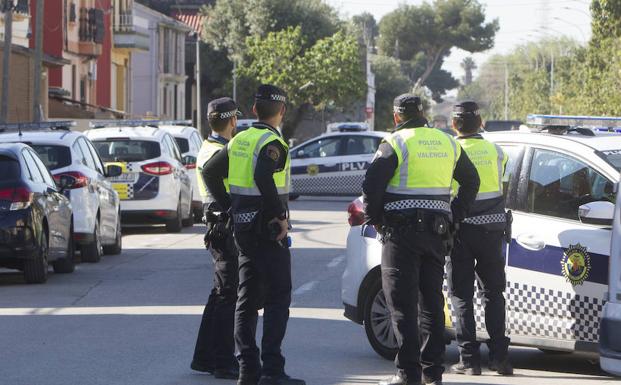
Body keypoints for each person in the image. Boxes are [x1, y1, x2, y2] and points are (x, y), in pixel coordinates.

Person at [363, 94, 480, 385]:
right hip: (437, 233)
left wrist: (375, 219)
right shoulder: (447, 141)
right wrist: (455, 213)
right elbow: (471, 180)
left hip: (401, 234)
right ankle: (432, 373)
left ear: (396, 117)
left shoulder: (396, 142)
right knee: (431, 303)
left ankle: (408, 375)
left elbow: (371, 185)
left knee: (402, 305)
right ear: (423, 113)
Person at [203, 84, 305, 385]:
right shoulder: (273, 141)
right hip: (267, 228)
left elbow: (210, 172)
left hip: (243, 230)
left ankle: (248, 369)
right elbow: (263, 175)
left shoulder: (240, 139)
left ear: (254, 110)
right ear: (282, 111)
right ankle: (272, 369)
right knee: (277, 296)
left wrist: (231, 207)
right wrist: (279, 215)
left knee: (246, 299)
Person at [447, 101, 513, 376]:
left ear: (453, 125)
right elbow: (503, 190)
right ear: (481, 122)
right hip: (493, 231)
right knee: (493, 294)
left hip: (461, 231)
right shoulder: (497, 151)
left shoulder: (450, 150)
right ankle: (499, 358)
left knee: (461, 294)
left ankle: (469, 360)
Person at [191, 97, 241, 379]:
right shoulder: (219, 151)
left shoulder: (208, 146)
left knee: (219, 293)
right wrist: (231, 207)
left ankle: (205, 356)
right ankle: (223, 360)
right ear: (232, 120)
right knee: (227, 295)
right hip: (223, 228)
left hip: (216, 228)